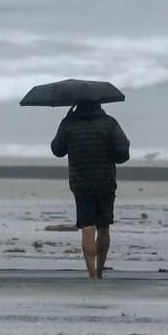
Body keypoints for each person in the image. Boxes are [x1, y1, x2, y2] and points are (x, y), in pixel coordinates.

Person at [51, 99, 130, 279]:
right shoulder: (110, 123)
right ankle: (100, 269)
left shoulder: (69, 124)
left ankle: (91, 273)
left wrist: (65, 121)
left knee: (87, 226)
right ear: (99, 104)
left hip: (81, 181)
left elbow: (57, 149)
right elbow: (123, 154)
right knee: (103, 226)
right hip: (105, 180)